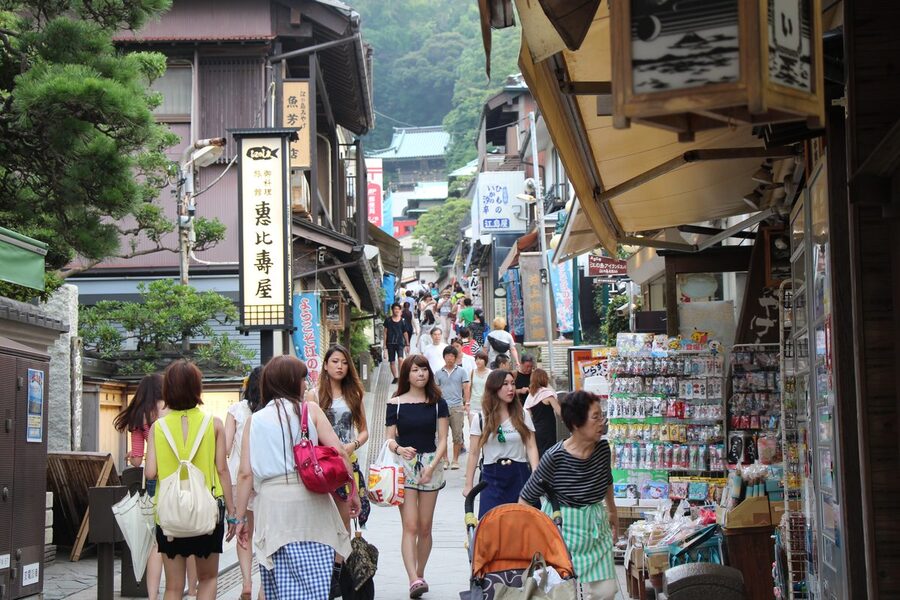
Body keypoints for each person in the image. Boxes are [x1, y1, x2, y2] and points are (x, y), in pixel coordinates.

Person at [233, 356, 358, 600]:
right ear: (291, 381)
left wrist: (239, 518)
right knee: (314, 580)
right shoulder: (310, 411)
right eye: (302, 379)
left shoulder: (253, 421)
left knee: (279, 582)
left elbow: (245, 474)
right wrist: (350, 491)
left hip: (272, 508)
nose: (305, 384)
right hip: (311, 503)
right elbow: (340, 452)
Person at [145, 361, 236, 600]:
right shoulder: (214, 424)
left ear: (168, 390)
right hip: (207, 512)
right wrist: (233, 512)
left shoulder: (158, 428)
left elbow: (150, 472)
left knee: (173, 587)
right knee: (207, 578)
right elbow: (222, 470)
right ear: (197, 388)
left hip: (170, 514)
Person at [518, 391, 618, 600]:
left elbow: (607, 480)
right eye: (596, 417)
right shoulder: (554, 457)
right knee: (565, 592)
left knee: (606, 591)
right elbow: (526, 498)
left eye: (602, 416)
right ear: (576, 424)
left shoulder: (602, 449)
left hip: (595, 527)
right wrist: (530, 537)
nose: (602, 422)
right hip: (563, 528)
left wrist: (612, 512)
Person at [385, 355, 450, 598]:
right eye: (415, 370)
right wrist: (399, 449)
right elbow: (389, 439)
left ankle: (420, 572)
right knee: (410, 525)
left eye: (424, 369)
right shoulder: (395, 403)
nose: (420, 374)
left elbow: (443, 439)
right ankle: (413, 579)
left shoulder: (438, 403)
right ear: (407, 375)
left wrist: (431, 466)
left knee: (425, 526)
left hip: (431, 465)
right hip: (405, 466)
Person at [114, 374, 166, 600]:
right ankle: (189, 588)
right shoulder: (170, 409)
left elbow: (136, 460)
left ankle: (152, 595)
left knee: (156, 539)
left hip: (154, 480)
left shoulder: (140, 416)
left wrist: (135, 454)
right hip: (177, 478)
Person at [463, 370, 539, 517]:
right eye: (505, 384)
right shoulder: (481, 418)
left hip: (519, 474)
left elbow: (531, 446)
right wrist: (468, 484)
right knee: (490, 522)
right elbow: (473, 453)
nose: (511, 388)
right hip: (491, 477)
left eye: (513, 384)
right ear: (494, 387)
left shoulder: (522, 415)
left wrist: (535, 474)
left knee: (523, 522)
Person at [225, 367, 263, 600]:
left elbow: (226, 446)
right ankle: (264, 588)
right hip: (264, 478)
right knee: (264, 533)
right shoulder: (269, 412)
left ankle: (247, 582)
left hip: (239, 477)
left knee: (244, 531)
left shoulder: (236, 410)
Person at [434, 346, 470, 470]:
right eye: (447, 356)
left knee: (457, 435)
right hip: (442, 407)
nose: (449, 358)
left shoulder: (462, 371)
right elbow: (436, 390)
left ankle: (455, 460)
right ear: (444, 357)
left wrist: (466, 403)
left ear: (455, 358)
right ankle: (445, 460)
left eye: (452, 356)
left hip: (457, 407)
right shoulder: (438, 373)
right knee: (442, 436)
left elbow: (466, 387)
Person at [524, 368, 562, 458]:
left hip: (536, 429)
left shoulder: (531, 395)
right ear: (544, 379)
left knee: (539, 454)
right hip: (548, 430)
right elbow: (560, 412)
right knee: (549, 455)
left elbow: (527, 415)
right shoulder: (547, 394)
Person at [383, 302, 411, 384]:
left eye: (398, 309)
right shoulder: (388, 320)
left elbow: (405, 332)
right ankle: (395, 377)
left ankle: (401, 376)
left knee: (400, 359)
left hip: (400, 343)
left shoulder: (403, 320)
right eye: (395, 309)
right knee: (392, 361)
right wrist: (384, 346)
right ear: (392, 310)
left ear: (400, 310)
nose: (397, 310)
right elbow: (385, 333)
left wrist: (407, 343)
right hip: (390, 343)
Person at [469, 351, 491, 421]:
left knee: (486, 426)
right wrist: (467, 403)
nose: (478, 361)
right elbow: (469, 388)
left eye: (480, 359)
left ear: (485, 360)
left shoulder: (490, 373)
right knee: (473, 426)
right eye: (476, 359)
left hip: (486, 404)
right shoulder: (472, 372)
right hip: (473, 405)